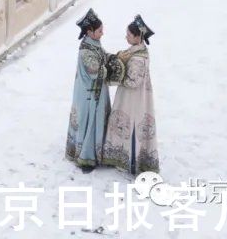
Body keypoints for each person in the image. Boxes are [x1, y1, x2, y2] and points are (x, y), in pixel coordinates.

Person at [102, 15, 159, 176]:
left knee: (131, 125)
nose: (126, 37)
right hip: (132, 97)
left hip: (132, 99)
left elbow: (133, 81)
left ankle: (131, 161)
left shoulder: (138, 59)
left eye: (128, 35)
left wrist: (118, 75)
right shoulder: (136, 52)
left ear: (137, 36)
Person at [65, 9, 111, 173]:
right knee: (89, 121)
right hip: (88, 94)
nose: (102, 33)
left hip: (97, 92)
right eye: (99, 31)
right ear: (90, 32)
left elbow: (104, 57)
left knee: (95, 120)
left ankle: (96, 152)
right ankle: (86, 157)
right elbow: (96, 71)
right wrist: (110, 68)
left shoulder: (94, 44)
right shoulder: (85, 50)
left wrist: (114, 58)